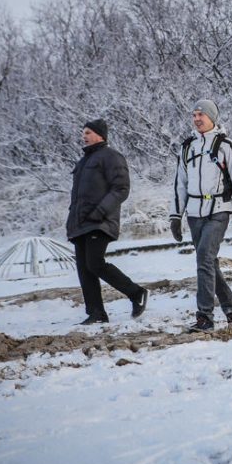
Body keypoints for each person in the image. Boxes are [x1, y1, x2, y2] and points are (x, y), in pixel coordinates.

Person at [170, 99, 232, 332]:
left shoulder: (226, 146)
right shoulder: (187, 147)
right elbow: (180, 185)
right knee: (209, 262)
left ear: (212, 118)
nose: (196, 119)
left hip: (219, 210)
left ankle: (204, 316)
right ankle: (230, 308)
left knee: (204, 256)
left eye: (200, 115)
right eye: (194, 115)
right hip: (194, 214)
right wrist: (175, 216)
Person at [67, 119, 148, 324]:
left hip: (99, 220)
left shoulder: (111, 156)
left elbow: (121, 188)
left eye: (88, 132)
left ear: (100, 134)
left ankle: (136, 292)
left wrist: (99, 211)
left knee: (95, 263)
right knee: (84, 269)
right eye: (83, 132)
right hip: (80, 224)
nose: (83, 136)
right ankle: (96, 313)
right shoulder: (83, 162)